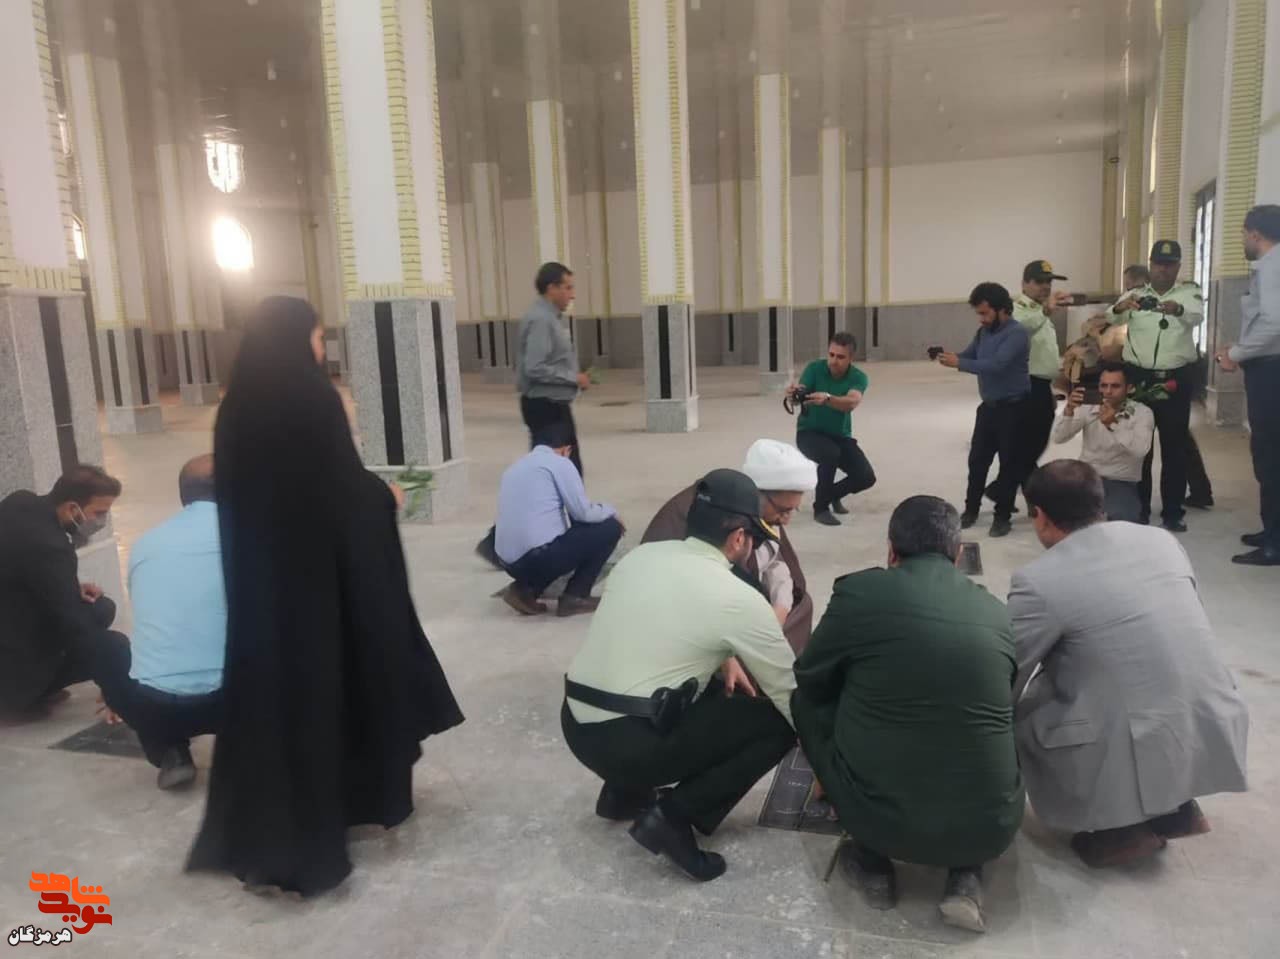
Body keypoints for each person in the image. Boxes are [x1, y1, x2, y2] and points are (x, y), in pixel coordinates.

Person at [187, 296, 464, 896]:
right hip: (324, 589)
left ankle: (275, 829)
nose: (320, 347)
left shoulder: (235, 407)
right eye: (317, 336)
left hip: (265, 592)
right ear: (298, 337)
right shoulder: (312, 398)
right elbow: (340, 491)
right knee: (339, 686)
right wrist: (383, 497)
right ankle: (344, 809)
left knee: (280, 705)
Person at [792, 495, 1023, 933]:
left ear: (890, 550)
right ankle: (966, 875)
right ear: (958, 553)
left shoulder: (860, 594)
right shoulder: (995, 612)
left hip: (878, 822)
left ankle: (872, 863)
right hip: (992, 825)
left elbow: (811, 677)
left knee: (804, 700)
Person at [1010, 460, 1249, 868]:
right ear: (1099, 504)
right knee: (1131, 676)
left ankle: (1119, 829)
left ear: (1040, 516)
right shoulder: (1160, 540)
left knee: (1031, 709)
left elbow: (1008, 667)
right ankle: (1176, 807)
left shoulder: (1039, 579)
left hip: (1136, 733)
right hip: (1210, 712)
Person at [561, 470, 797, 882]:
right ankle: (673, 816)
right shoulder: (739, 597)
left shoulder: (641, 557)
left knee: (693, 681)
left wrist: (723, 657)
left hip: (576, 726)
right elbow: (792, 698)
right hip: (628, 746)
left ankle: (621, 793)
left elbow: (658, 631)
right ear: (739, 538)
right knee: (777, 723)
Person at [93, 455, 224, 790]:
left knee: (106, 646)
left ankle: (170, 752)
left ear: (183, 495)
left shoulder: (145, 545)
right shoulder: (257, 540)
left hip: (158, 706)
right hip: (243, 701)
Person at [641, 439, 818, 652]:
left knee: (800, 605)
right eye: (783, 510)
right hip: (696, 612)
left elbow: (775, 560)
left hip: (743, 599)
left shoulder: (760, 511)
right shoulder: (713, 512)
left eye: (792, 511)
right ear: (757, 494)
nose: (786, 520)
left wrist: (780, 607)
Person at [476, 261, 590, 568]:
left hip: (552, 404)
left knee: (557, 474)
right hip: (545, 407)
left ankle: (505, 543)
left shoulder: (549, 317)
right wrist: (573, 378)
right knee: (556, 475)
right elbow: (534, 368)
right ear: (551, 288)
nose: (572, 294)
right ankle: (498, 543)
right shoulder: (541, 320)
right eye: (567, 287)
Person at [0, 465, 123, 717]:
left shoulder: (19, 502)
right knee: (109, 635)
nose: (101, 521)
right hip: (9, 680)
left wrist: (68, 585)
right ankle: (28, 695)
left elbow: (18, 567)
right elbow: (76, 626)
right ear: (71, 508)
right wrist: (113, 683)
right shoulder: (52, 547)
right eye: (99, 513)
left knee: (97, 609)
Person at [1109, 240, 1204, 531]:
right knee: (1140, 447)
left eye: (1169, 264)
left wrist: (1177, 309)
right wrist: (1122, 305)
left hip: (1175, 379)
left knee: (1175, 447)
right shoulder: (1135, 294)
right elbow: (1111, 316)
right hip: (1139, 379)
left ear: (1178, 266)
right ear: (1150, 265)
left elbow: (1196, 315)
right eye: (1158, 264)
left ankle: (1173, 511)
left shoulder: (1189, 292)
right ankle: (1139, 508)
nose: (1163, 269)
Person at [494, 421, 623, 617]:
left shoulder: (514, 467)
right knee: (610, 528)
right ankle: (575, 596)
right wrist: (611, 511)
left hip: (507, 562)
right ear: (566, 449)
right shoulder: (560, 463)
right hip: (537, 559)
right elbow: (583, 513)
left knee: (555, 541)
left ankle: (525, 590)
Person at [938, 282, 1032, 537]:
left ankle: (1002, 517)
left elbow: (996, 365)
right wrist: (950, 357)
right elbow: (970, 356)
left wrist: (960, 363)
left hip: (1014, 409)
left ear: (1002, 309)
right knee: (977, 462)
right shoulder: (983, 333)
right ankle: (971, 510)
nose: (981, 319)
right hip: (989, 408)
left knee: (1008, 465)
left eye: (984, 313)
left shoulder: (1017, 334)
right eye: (978, 313)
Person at [1217, 204, 1280, 566]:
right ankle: (1272, 530)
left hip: (1271, 375)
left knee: (1270, 457)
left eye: (1243, 234)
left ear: (1255, 233)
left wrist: (1237, 353)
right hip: (1269, 369)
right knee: (1270, 455)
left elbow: (1273, 323)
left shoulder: (1272, 266)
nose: (1243, 240)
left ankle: (1276, 542)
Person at [788, 332, 875, 526]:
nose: (834, 361)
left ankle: (832, 495)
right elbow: (800, 393)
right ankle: (820, 508)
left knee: (866, 477)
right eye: (831, 355)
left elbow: (852, 402)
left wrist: (828, 399)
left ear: (851, 358)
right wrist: (794, 395)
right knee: (830, 454)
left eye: (840, 357)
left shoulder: (858, 377)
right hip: (809, 433)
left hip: (840, 436)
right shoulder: (814, 368)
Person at [1051, 364, 1154, 522]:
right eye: (1103, 385)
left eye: (1115, 386)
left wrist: (1113, 424)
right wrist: (1068, 411)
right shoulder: (1088, 406)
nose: (1108, 391)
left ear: (1129, 388)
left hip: (1120, 480)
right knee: (1063, 516)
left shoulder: (1142, 413)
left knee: (1121, 520)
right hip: (1087, 477)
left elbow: (1141, 450)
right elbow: (1058, 438)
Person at [1013, 260, 1071, 481]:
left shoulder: (1040, 310)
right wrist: (1046, 310)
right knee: (1029, 440)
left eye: (1049, 282)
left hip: (1042, 384)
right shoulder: (1017, 309)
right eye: (1039, 281)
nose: (1046, 286)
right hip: (1025, 383)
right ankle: (1012, 484)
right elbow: (1020, 329)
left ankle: (1010, 483)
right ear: (1024, 284)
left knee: (1037, 438)